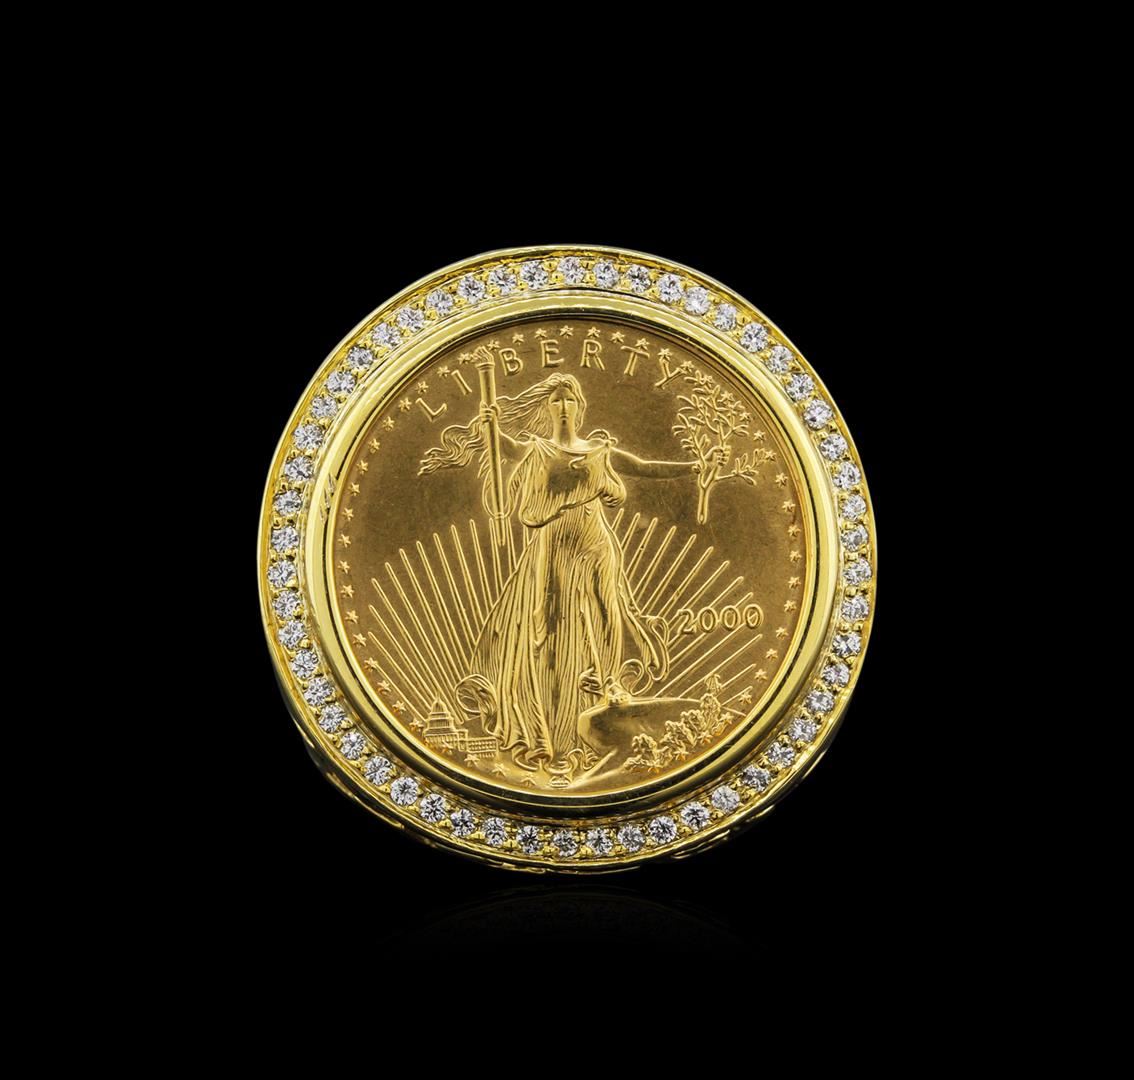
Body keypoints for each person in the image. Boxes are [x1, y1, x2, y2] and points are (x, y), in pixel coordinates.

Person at [419, 372, 713, 773]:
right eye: (555, 400)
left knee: (607, 607)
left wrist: (695, 467)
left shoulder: (599, 451)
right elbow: (507, 447)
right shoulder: (537, 449)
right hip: (553, 542)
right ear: (547, 407)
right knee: (549, 623)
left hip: (594, 539)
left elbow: (645, 467)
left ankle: (610, 682)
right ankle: (554, 713)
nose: (562, 406)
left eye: (569, 400)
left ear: (579, 406)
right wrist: (491, 426)